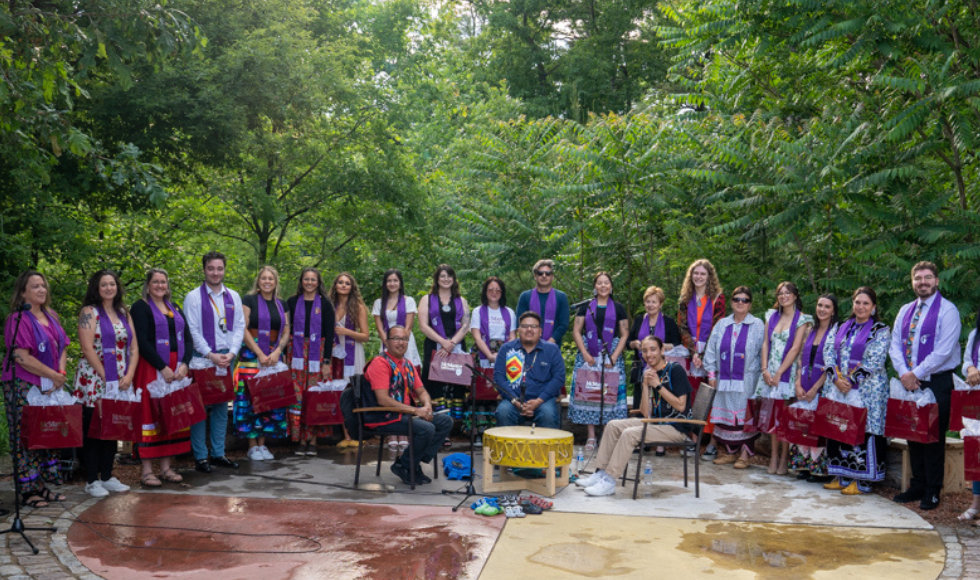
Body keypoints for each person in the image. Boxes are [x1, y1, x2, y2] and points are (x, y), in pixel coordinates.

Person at [575, 336, 692, 496]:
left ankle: (609, 481)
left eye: (653, 349)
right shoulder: (650, 373)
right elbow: (645, 413)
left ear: (662, 350)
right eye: (644, 351)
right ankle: (601, 472)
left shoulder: (675, 370)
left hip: (675, 427)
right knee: (613, 425)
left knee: (630, 433)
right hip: (655, 423)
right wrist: (645, 385)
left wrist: (658, 386)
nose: (648, 354)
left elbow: (681, 405)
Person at [889, 262, 961, 509]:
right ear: (912, 282)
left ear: (937, 280)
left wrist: (914, 373)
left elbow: (944, 350)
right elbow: (894, 345)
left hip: (937, 382)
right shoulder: (905, 310)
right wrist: (904, 373)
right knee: (913, 434)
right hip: (910, 382)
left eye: (928, 277)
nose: (923, 282)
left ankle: (932, 490)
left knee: (933, 438)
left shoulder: (948, 311)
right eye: (918, 278)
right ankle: (917, 485)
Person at [2, 271, 70, 507]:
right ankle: (28, 490)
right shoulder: (17, 319)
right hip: (23, 385)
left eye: (43, 285)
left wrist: (59, 376)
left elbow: (63, 347)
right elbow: (21, 357)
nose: (41, 290)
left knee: (46, 434)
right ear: (23, 292)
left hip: (50, 385)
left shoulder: (52, 315)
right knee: (26, 437)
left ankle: (42, 486)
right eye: (35, 286)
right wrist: (52, 376)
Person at [73, 270, 137, 497]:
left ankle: (108, 476)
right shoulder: (89, 313)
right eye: (104, 284)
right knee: (94, 428)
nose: (109, 288)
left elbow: (133, 347)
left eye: (112, 284)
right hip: (94, 378)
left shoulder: (123, 313)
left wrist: (129, 375)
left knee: (113, 427)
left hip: (119, 379)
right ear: (96, 288)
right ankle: (92, 479)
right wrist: (105, 375)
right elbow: (87, 347)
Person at [822, 286, 891, 495]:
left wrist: (850, 380)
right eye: (857, 302)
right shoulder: (841, 326)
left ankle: (863, 480)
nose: (861, 307)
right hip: (840, 388)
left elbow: (875, 360)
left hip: (867, 390)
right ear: (853, 304)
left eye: (866, 303)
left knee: (864, 429)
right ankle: (842, 475)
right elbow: (827, 352)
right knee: (840, 426)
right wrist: (835, 378)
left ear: (873, 307)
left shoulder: (880, 330)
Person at [364, 325, 453, 485]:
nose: (401, 342)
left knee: (445, 421)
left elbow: (422, 391)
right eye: (396, 338)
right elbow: (383, 399)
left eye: (404, 339)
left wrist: (427, 406)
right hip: (384, 416)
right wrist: (415, 410)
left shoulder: (407, 364)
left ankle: (409, 462)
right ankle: (408, 464)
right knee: (426, 428)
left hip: (404, 415)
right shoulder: (380, 363)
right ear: (387, 341)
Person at [131, 269, 194, 487]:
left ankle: (166, 467)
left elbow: (187, 338)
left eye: (163, 282)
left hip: (176, 370)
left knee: (171, 415)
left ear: (168, 285)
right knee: (151, 416)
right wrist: (162, 366)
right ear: (147, 285)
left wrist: (185, 363)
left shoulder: (174, 308)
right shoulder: (140, 307)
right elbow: (141, 340)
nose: (159, 285)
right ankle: (147, 470)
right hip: (151, 369)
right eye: (155, 282)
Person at [184, 251, 245, 473]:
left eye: (219, 268)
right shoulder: (193, 297)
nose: (215, 272)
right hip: (203, 359)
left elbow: (239, 326)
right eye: (211, 268)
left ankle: (218, 453)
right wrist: (210, 355)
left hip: (226, 358)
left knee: (221, 406)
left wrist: (232, 352)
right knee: (200, 409)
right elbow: (192, 330)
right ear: (204, 270)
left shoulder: (234, 296)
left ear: (224, 270)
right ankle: (201, 456)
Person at [753, 282, 811, 475]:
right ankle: (774, 456)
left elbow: (795, 348)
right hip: (769, 371)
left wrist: (779, 373)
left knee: (785, 417)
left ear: (795, 296)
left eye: (788, 293)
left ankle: (784, 458)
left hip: (787, 372)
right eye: (780, 293)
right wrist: (765, 370)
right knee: (773, 416)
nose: (783, 296)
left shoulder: (802, 320)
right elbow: (765, 344)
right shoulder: (771, 316)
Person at [703, 285, 764, 469]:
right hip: (724, 380)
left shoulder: (757, 325)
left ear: (750, 304)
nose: (740, 303)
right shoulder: (722, 324)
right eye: (737, 299)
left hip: (747, 380)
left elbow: (763, 353)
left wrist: (762, 379)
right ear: (731, 302)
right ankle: (730, 452)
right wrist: (711, 374)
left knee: (744, 417)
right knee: (726, 418)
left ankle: (744, 455)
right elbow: (711, 349)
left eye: (744, 300)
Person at [235, 266, 291, 461]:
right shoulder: (248, 300)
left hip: (274, 354)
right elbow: (243, 329)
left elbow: (286, 331)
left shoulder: (282, 304)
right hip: (252, 354)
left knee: (269, 398)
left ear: (276, 282)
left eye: (271, 279)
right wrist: (258, 352)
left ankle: (263, 444)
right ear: (258, 281)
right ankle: (252, 445)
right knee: (250, 399)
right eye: (263, 278)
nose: (267, 281)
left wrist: (277, 352)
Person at [569, 271, 630, 450]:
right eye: (599, 283)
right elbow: (576, 331)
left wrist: (614, 357)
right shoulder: (586, 307)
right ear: (595, 286)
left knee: (608, 396)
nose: (603, 286)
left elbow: (625, 333)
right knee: (590, 394)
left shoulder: (618, 308)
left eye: (606, 283)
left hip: (611, 353)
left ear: (611, 286)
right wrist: (586, 354)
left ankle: (607, 435)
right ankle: (591, 436)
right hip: (589, 354)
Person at [676, 259, 725, 460]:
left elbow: (718, 326)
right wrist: (694, 352)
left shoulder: (717, 299)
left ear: (709, 277)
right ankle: (692, 437)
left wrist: (704, 354)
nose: (698, 277)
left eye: (703, 274)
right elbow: (682, 327)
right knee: (693, 396)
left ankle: (713, 442)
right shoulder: (685, 299)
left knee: (712, 395)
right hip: (690, 352)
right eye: (695, 273)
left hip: (711, 350)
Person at [287, 268, 337, 454]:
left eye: (313, 279)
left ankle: (313, 440)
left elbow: (330, 334)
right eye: (306, 279)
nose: (309, 282)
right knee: (298, 397)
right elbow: (287, 330)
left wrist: (326, 361)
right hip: (297, 354)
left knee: (314, 396)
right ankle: (300, 439)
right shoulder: (292, 302)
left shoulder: (325, 304)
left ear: (318, 282)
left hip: (318, 353)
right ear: (301, 281)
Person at [788, 294, 838, 483]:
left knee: (818, 427)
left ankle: (819, 469)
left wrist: (816, 388)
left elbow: (832, 363)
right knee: (803, 426)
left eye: (827, 306)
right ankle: (803, 466)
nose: (822, 309)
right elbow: (800, 358)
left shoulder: (836, 332)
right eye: (820, 305)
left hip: (823, 387)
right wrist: (798, 384)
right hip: (804, 384)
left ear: (833, 310)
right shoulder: (810, 330)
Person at [372, 269, 421, 449]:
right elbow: (379, 328)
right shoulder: (379, 303)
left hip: (405, 344)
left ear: (400, 283)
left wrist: (399, 344)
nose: (392, 283)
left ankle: (405, 431)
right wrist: (389, 346)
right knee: (391, 386)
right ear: (385, 284)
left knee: (406, 386)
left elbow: (407, 328)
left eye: (395, 280)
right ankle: (393, 430)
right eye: (389, 281)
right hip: (386, 345)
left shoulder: (409, 301)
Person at [494, 312, 565, 430]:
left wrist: (538, 401)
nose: (529, 330)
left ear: (540, 331)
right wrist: (516, 402)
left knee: (548, 414)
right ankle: (508, 448)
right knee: (503, 412)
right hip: (513, 400)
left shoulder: (552, 350)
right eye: (525, 326)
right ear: (518, 330)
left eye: (534, 326)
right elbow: (498, 378)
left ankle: (545, 449)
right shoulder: (507, 349)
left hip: (543, 400)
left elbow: (558, 378)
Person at [418, 264, 470, 424]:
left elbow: (466, 325)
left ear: (454, 279)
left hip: (457, 347)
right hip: (435, 346)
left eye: (449, 276)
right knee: (435, 384)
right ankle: (440, 425)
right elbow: (423, 325)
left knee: (457, 383)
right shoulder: (427, 299)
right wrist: (442, 342)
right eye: (442, 276)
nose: (446, 279)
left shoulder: (462, 300)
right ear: (437, 279)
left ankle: (457, 425)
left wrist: (452, 343)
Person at [469, 276, 517, 442]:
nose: (494, 293)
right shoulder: (477, 311)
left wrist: (501, 356)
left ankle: (499, 432)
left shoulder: (509, 312)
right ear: (485, 292)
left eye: (497, 290)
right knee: (482, 392)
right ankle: (480, 434)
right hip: (483, 352)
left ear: (501, 292)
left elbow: (512, 337)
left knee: (499, 392)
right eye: (491, 289)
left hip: (504, 353)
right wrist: (489, 355)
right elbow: (477, 336)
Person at [330, 272, 370, 446]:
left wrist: (347, 332)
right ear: (336, 286)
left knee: (353, 391)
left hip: (354, 354)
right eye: (340, 282)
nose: (344, 285)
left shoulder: (358, 307)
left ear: (352, 287)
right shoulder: (330, 305)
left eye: (347, 283)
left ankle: (355, 435)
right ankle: (345, 436)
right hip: (335, 354)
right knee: (339, 392)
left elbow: (365, 336)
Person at [628, 286, 682, 413]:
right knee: (640, 402)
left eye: (654, 302)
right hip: (641, 369)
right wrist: (634, 344)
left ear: (660, 304)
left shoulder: (669, 322)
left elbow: (677, 344)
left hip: (663, 370)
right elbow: (627, 342)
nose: (650, 305)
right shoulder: (639, 320)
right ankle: (639, 429)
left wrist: (660, 346)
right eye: (648, 301)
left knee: (660, 403)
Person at [516, 259, 570, 345]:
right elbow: (519, 323)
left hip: (553, 347)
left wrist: (549, 344)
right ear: (535, 276)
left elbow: (563, 325)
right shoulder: (525, 296)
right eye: (540, 273)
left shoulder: (561, 297)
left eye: (547, 273)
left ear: (552, 276)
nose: (544, 276)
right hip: (528, 346)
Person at [960, 307, 980, 522]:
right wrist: (971, 369)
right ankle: (975, 503)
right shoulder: (975, 335)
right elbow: (966, 361)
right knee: (977, 450)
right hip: (976, 399)